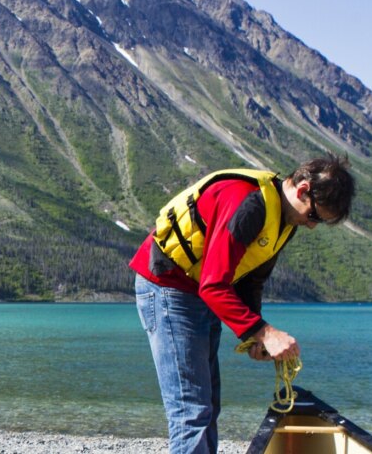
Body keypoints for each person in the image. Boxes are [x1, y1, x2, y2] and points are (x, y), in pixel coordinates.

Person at [130, 154, 355, 454]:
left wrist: (254, 335)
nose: (312, 226)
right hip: (168, 287)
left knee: (207, 405)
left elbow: (251, 280)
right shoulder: (249, 204)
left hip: (196, 292)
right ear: (302, 190)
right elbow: (214, 285)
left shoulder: (284, 222)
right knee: (191, 412)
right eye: (314, 216)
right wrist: (264, 332)